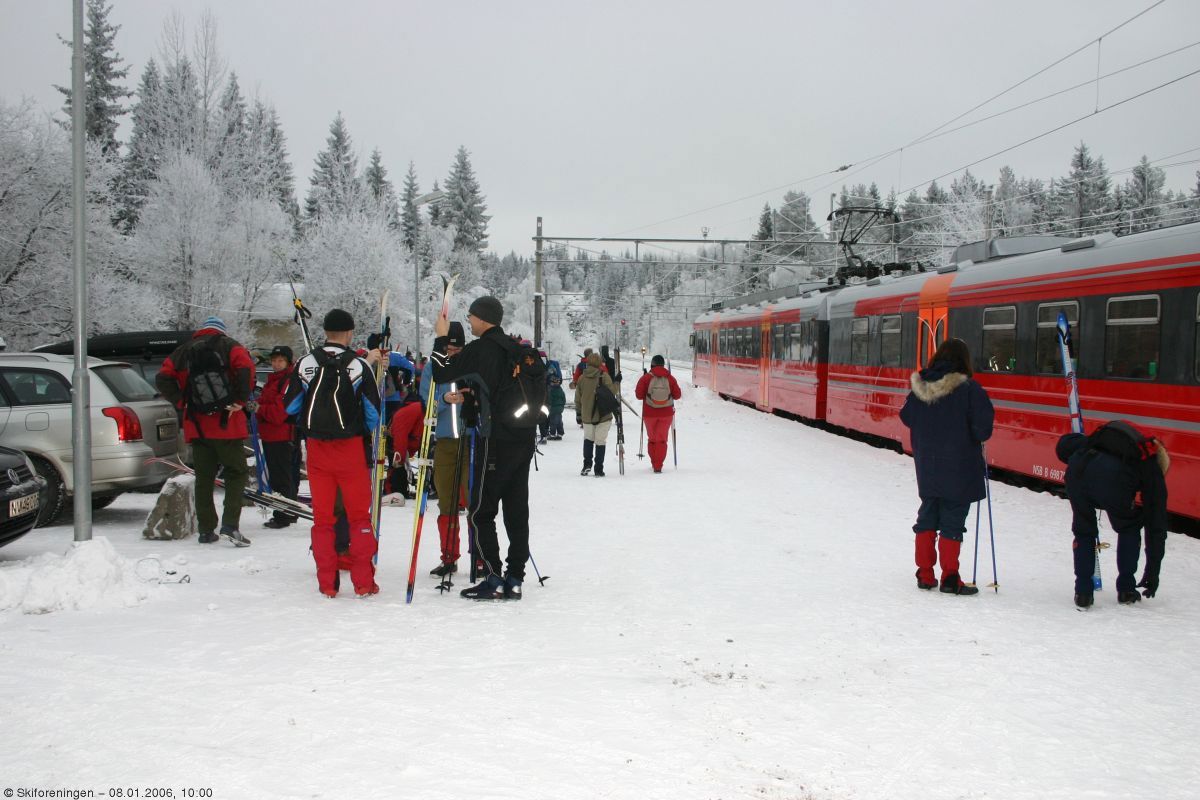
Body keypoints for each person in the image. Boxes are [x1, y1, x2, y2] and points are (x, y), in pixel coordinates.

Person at [430, 295, 535, 600]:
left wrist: (440, 338)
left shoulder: (480, 350)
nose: (469, 321)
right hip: (523, 438)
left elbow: (440, 373)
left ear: (482, 318)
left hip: (494, 441)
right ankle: (515, 578)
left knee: (480, 511)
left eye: (471, 317)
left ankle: (493, 577)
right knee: (516, 510)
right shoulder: (516, 348)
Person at [284, 309, 382, 598]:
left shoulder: (305, 363)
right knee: (359, 518)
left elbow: (290, 407)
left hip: (317, 451)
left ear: (325, 331)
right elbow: (373, 413)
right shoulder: (358, 365)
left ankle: (327, 584)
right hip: (351, 450)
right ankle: (364, 583)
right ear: (350, 333)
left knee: (323, 519)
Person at [899, 338, 994, 596]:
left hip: (927, 465)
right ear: (964, 361)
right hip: (960, 466)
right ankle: (950, 578)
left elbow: (906, 416)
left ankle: (925, 574)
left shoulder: (920, 386)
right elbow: (983, 430)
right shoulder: (970, 390)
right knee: (952, 520)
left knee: (927, 516)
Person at [156, 316, 254, 547]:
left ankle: (206, 530)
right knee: (236, 473)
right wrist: (240, 400)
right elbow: (246, 368)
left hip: (197, 426)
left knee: (204, 478)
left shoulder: (183, 351)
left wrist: (182, 402)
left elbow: (162, 378)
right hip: (227, 423)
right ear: (222, 331)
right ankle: (230, 525)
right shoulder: (231, 346)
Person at [1056, 421, 1170, 608]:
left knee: (1084, 531)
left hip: (1079, 470)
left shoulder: (1111, 439)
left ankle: (1083, 594)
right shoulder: (1150, 466)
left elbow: (1064, 446)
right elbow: (1156, 526)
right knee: (1129, 527)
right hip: (1115, 481)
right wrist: (1152, 572)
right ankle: (1126, 590)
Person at [421, 321, 471, 577]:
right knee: (447, 502)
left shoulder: (472, 363)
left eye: (456, 349)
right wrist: (442, 399)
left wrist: (468, 398)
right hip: (445, 442)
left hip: (471, 441)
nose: (452, 353)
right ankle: (449, 556)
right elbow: (425, 400)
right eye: (449, 349)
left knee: (474, 501)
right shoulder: (433, 367)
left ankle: (480, 557)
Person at [256, 345, 299, 528]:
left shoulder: (288, 381)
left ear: (288, 362)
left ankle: (284, 515)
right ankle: (289, 512)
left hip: (281, 434)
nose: (276, 364)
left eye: (280, 360)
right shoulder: (274, 380)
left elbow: (278, 413)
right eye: (274, 360)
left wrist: (259, 409)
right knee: (284, 475)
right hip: (272, 434)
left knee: (281, 477)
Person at [634, 355, 681, 473]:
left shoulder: (646, 378)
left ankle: (654, 462)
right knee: (661, 440)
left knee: (652, 439)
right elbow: (677, 395)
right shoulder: (670, 378)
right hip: (666, 414)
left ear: (652, 364)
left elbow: (639, 395)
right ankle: (658, 465)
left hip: (649, 414)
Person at [574, 351, 616, 477]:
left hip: (587, 416)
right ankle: (598, 469)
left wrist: (579, 413)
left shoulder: (582, 378)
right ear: (599, 363)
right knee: (600, 441)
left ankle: (586, 465)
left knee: (588, 440)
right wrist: (617, 382)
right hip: (603, 415)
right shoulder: (604, 376)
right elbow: (612, 392)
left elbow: (577, 398)